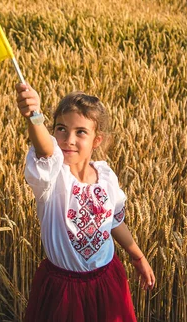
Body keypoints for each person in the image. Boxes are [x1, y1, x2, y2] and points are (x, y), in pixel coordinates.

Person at [15, 83, 155, 321]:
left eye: (81, 132)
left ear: (97, 140)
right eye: (61, 129)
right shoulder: (52, 177)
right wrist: (34, 116)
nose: (68, 139)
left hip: (107, 281)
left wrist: (138, 256)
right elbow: (45, 150)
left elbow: (114, 222)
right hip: (64, 292)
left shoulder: (106, 177)